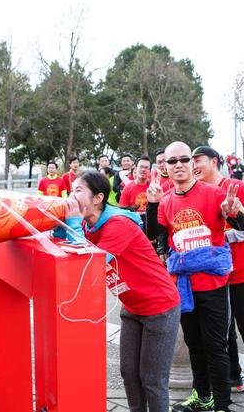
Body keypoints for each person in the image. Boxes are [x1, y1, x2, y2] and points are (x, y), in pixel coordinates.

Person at [65, 171, 180, 412]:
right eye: (71, 190)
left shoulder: (118, 225)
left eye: (77, 190)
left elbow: (91, 263)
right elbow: (69, 248)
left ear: (97, 198)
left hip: (160, 307)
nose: (71, 196)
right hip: (133, 306)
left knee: (153, 380)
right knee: (128, 373)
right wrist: (61, 225)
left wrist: (73, 222)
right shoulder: (88, 225)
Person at [145, 141, 244, 412]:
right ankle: (203, 397)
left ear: (192, 163)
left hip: (212, 284)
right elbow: (155, 236)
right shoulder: (166, 200)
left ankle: (222, 406)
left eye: (184, 159)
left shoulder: (214, 194)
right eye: (172, 161)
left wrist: (233, 211)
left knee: (216, 346)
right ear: (165, 168)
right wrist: (152, 205)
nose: (178, 164)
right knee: (194, 344)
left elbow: (240, 224)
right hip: (183, 286)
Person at [192, 146, 244, 412]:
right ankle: (234, 376)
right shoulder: (198, 194)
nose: (193, 166)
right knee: (221, 334)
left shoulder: (239, 187)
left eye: (197, 161)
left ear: (213, 162)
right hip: (214, 278)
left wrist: (220, 238)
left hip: (243, 274)